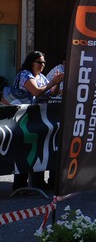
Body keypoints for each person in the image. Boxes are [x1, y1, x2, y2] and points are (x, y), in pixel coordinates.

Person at [9, 51, 64, 191]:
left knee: (40, 149)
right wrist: (52, 82)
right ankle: (20, 185)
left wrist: (56, 84)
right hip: (23, 119)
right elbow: (37, 92)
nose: (42, 65)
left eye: (44, 62)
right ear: (31, 62)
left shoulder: (41, 77)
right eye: (39, 62)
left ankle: (37, 182)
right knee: (25, 150)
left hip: (38, 119)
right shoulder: (25, 75)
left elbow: (51, 93)